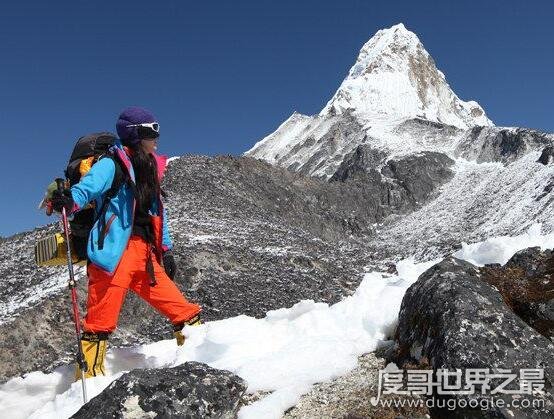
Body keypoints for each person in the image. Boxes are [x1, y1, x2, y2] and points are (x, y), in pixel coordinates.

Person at [51, 106, 201, 379]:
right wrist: (68, 201)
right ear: (136, 135)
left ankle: (201, 363)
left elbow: (157, 214)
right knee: (99, 323)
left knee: (184, 312)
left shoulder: (150, 168)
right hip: (113, 255)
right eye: (151, 132)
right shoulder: (111, 164)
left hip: (146, 258)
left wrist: (165, 250)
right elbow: (87, 190)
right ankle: (87, 383)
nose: (157, 138)